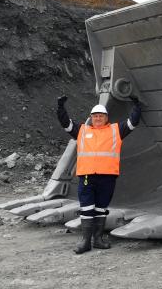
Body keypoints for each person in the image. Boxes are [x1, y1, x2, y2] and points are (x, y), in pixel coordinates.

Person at [56, 95, 142, 254]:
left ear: (106, 118)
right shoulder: (82, 130)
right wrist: (61, 107)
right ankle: (85, 242)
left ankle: (98, 239)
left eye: (101, 116)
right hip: (87, 177)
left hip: (107, 178)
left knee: (101, 209)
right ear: (91, 118)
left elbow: (133, 122)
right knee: (87, 209)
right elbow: (65, 123)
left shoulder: (116, 130)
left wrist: (136, 105)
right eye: (95, 116)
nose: (98, 118)